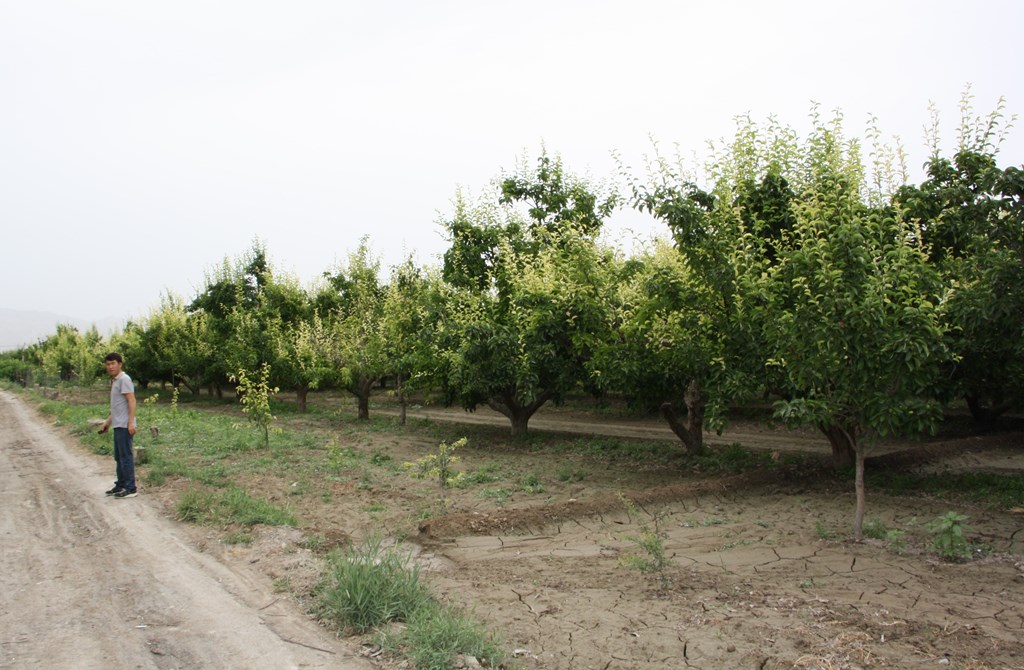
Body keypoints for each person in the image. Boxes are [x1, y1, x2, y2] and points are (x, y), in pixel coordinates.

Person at [98, 352, 138, 498]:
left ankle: (130, 488)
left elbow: (132, 401)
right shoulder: (115, 381)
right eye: (108, 364)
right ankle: (121, 484)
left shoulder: (124, 379)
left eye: (113, 363)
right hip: (118, 424)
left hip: (124, 425)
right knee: (119, 456)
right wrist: (107, 422)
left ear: (120, 364)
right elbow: (117, 406)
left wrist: (131, 423)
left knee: (126, 456)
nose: (110, 366)